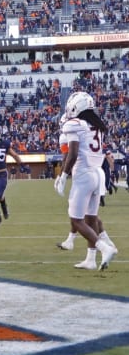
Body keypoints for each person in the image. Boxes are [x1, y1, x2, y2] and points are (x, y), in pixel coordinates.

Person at [54, 92, 117, 271]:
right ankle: (91, 259)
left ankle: (105, 248)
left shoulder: (75, 124)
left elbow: (72, 154)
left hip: (84, 174)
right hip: (97, 174)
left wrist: (64, 176)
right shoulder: (95, 125)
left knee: (76, 220)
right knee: (91, 218)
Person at [0, 123, 30, 226]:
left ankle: (4, 207)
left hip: (1, 174)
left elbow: (14, 155)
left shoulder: (5, 144)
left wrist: (22, 165)